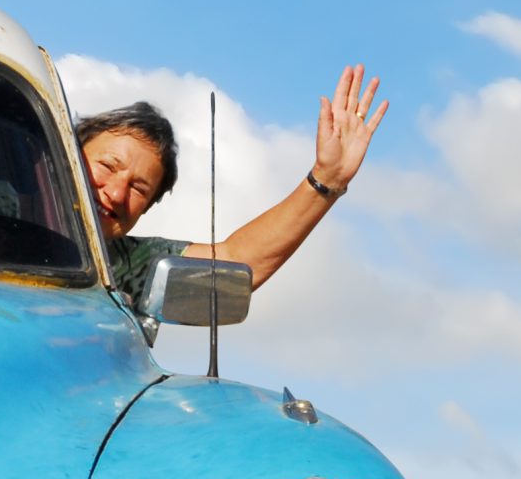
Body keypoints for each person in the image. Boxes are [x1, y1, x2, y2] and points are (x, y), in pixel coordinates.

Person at [79, 65, 387, 314]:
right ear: (70, 152)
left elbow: (235, 262)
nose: (117, 193)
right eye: (107, 165)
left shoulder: (131, 263)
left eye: (139, 188)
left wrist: (327, 179)